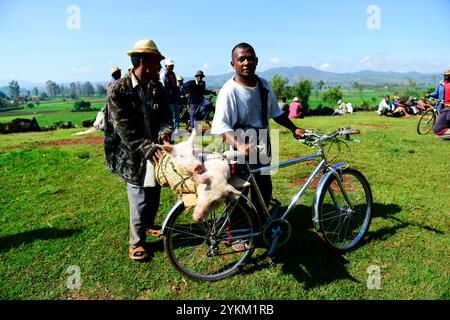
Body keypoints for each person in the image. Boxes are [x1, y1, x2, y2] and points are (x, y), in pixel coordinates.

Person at [211, 42, 304, 222]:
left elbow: (276, 113)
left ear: (256, 61)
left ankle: (261, 224)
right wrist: (239, 144)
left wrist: (294, 128)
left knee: (263, 188)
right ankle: (238, 234)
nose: (246, 62)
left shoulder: (263, 85)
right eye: (241, 59)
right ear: (233, 64)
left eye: (250, 58)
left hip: (262, 145)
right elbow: (221, 127)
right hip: (238, 151)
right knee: (238, 193)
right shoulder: (228, 91)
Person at [104, 38, 173, 262]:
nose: (160, 68)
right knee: (139, 196)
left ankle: (148, 225)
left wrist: (164, 133)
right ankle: (136, 242)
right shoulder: (118, 90)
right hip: (129, 154)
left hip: (154, 150)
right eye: (156, 62)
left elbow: (165, 116)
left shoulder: (157, 87)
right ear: (142, 62)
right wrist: (148, 147)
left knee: (154, 190)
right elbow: (124, 129)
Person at [161, 59, 180, 133]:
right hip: (169, 99)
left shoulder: (173, 74)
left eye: (172, 66)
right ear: (166, 66)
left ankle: (176, 131)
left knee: (177, 116)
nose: (172, 67)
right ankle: (172, 131)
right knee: (172, 116)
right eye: (170, 66)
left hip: (174, 98)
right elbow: (164, 88)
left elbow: (175, 86)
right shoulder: (163, 75)